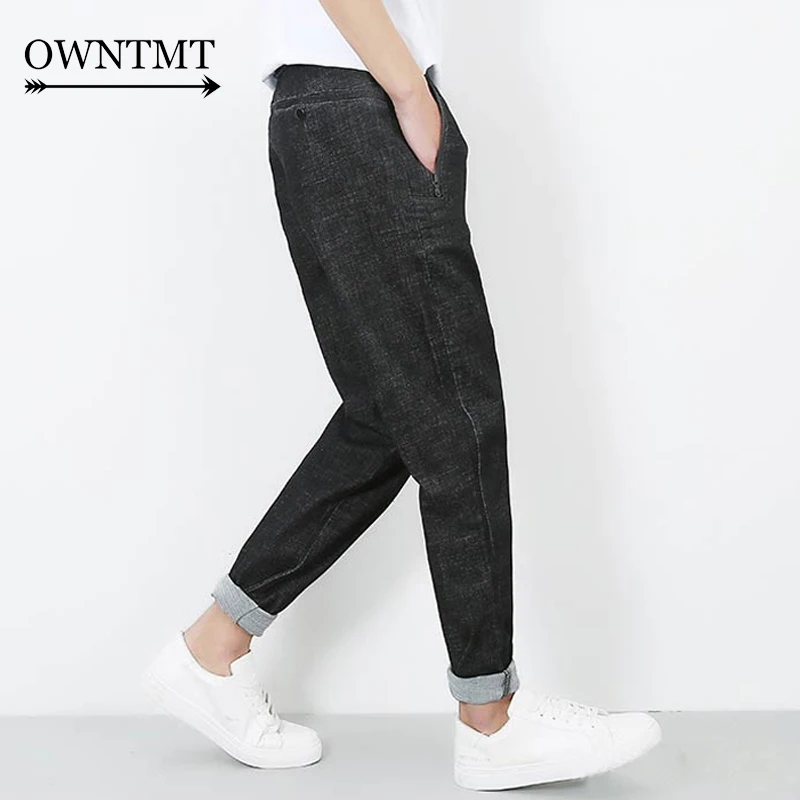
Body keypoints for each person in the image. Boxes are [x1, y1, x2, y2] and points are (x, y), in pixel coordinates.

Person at [142, 0, 662, 789]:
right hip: (363, 102)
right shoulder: (384, 95)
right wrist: (412, 96)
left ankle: (213, 647)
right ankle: (492, 722)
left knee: (390, 417)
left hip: (328, 108)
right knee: (457, 415)